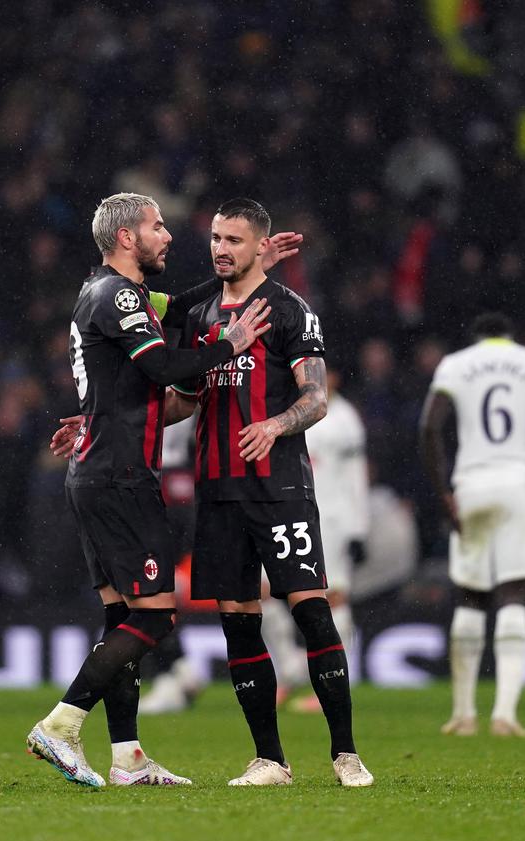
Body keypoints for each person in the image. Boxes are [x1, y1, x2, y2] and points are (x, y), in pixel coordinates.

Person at [30, 192, 283, 788]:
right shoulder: (118, 296)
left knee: (122, 616)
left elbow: (190, 304)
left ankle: (128, 757)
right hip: (120, 477)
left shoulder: (119, 295)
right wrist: (230, 345)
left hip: (100, 471)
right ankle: (62, 723)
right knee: (156, 616)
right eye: (157, 226)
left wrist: (250, 268)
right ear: (126, 238)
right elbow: (167, 367)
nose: (168, 236)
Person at [170, 198, 375, 788]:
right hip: (218, 489)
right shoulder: (201, 311)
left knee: (311, 611)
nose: (220, 248)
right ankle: (270, 760)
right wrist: (115, 421)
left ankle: (346, 754)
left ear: (261, 246)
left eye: (233, 239)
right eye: (215, 237)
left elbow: (316, 397)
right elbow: (185, 396)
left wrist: (276, 424)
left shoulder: (290, 311)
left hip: (279, 487)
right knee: (238, 621)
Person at [420, 312, 525, 738]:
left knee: (470, 596)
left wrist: (443, 491)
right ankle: (504, 713)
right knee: (513, 591)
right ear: (510, 336)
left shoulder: (455, 364)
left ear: (477, 337)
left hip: (473, 484)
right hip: (521, 484)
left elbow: (429, 427)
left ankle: (464, 713)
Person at [263, 369, 371, 711]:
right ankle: (287, 673)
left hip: (333, 518)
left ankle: (340, 679)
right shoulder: (287, 409)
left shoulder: (344, 419)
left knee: (332, 597)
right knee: (264, 593)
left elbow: (357, 476)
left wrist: (359, 526)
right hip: (288, 512)